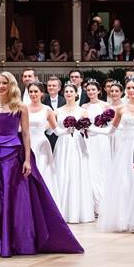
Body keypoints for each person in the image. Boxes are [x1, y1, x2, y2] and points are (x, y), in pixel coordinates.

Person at [0, 72, 82, 257]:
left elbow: (26, 134)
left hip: (13, 154)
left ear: (11, 85)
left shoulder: (21, 106)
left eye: (4, 83)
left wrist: (28, 159)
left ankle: (13, 239)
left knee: (13, 196)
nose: (0, 86)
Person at [97, 78, 134, 233]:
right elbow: (111, 130)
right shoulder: (120, 109)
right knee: (124, 182)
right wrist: (94, 130)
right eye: (128, 88)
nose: (131, 91)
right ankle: (124, 219)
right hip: (125, 148)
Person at [53, 83, 94, 224]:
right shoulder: (57, 111)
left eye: (71, 91)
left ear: (76, 94)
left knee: (77, 172)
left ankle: (77, 211)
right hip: (63, 143)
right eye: (66, 91)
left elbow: (87, 129)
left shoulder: (82, 111)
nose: (69, 93)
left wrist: (82, 128)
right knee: (62, 172)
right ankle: (61, 211)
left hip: (77, 143)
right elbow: (52, 129)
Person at [83, 79, 114, 213]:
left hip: (102, 138)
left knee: (103, 168)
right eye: (88, 90)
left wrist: (101, 127)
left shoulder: (106, 106)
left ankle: (105, 203)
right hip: (89, 139)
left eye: (93, 90)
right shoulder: (84, 107)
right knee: (91, 169)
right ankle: (94, 204)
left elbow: (111, 124)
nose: (91, 92)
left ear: (99, 91)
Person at [25, 82, 59, 204]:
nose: (33, 94)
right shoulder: (23, 108)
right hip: (27, 145)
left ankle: (45, 204)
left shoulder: (47, 109)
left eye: (36, 91)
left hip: (42, 146)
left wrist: (70, 129)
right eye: (31, 92)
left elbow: (56, 130)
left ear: (41, 93)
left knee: (43, 174)